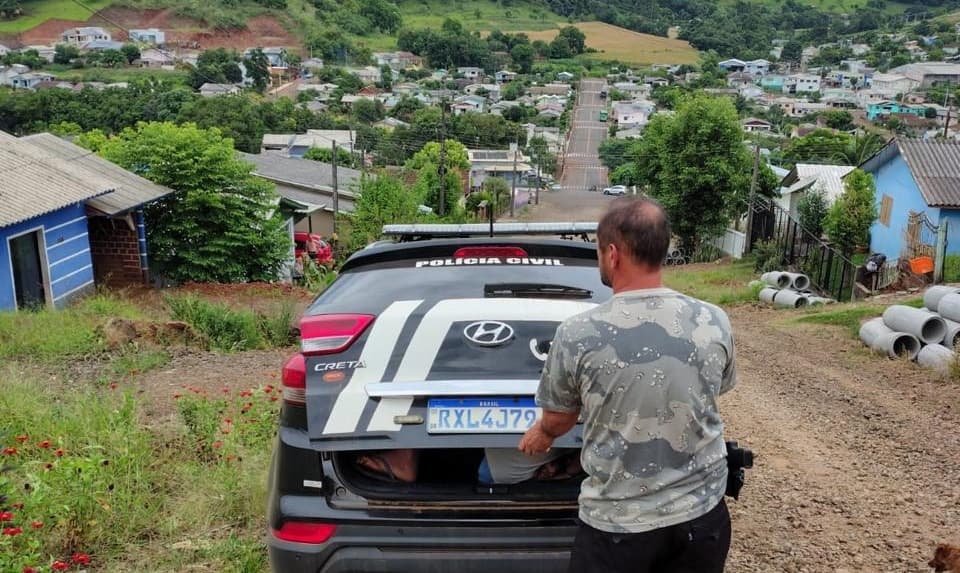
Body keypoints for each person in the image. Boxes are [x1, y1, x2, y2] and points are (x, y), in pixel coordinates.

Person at [519, 196, 737, 573]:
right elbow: (713, 389)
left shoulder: (578, 333)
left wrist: (541, 435)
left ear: (614, 254)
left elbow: (559, 419)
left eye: (600, 252)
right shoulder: (713, 319)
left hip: (618, 527)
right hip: (702, 519)